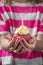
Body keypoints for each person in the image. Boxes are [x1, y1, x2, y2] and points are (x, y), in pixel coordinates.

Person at [0, 0, 43, 65]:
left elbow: (41, 43)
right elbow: (3, 41)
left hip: (34, 62)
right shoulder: (2, 7)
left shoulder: (41, 7)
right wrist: (10, 44)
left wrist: (35, 44)